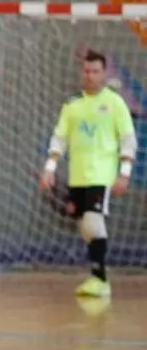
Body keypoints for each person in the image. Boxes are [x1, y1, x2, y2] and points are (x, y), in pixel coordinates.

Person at [39, 50, 137, 297]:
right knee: (85, 227)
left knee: (93, 223)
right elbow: (59, 139)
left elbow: (127, 139)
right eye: (87, 71)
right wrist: (49, 169)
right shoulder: (72, 106)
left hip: (101, 176)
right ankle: (96, 277)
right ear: (81, 73)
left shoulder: (115, 103)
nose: (91, 76)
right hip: (78, 176)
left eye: (96, 71)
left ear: (104, 74)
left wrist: (124, 173)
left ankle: (100, 279)